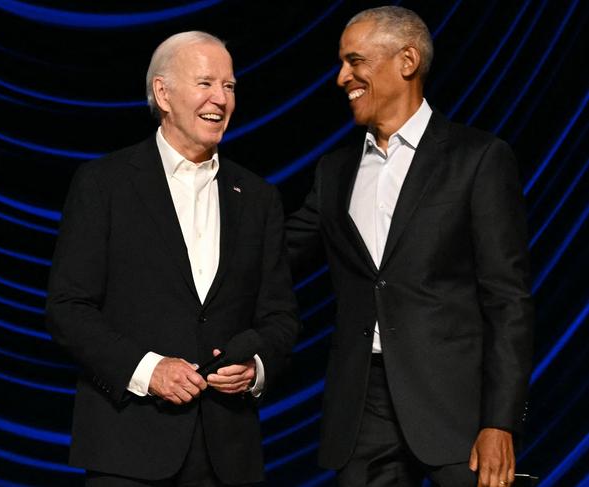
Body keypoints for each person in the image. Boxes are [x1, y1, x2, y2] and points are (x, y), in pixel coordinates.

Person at [286, 7, 534, 487]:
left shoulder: (477, 159)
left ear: (407, 60)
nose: (342, 78)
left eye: (354, 61)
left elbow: (508, 300)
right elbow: (276, 255)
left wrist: (500, 420)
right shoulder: (334, 172)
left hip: (457, 408)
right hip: (363, 408)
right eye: (341, 63)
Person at [47, 31, 299, 486]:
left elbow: (280, 317)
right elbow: (68, 309)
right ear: (163, 93)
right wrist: (149, 369)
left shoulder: (259, 197)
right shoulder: (104, 184)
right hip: (128, 448)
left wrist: (255, 367)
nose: (220, 99)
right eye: (205, 83)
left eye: (230, 86)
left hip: (228, 456)